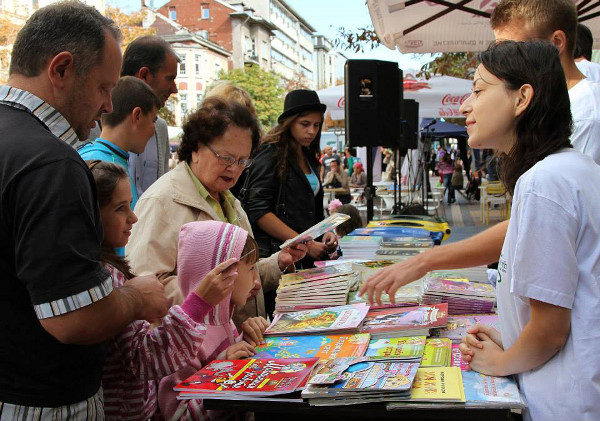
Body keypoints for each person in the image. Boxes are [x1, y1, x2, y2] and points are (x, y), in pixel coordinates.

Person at [360, 0, 600, 306]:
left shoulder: (579, 122)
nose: (498, 59)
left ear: (554, 45)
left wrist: (425, 261)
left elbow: (538, 226)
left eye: (510, 47)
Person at [0, 2, 169, 417]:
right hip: (44, 402)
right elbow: (73, 318)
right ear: (61, 69)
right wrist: (135, 297)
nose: (108, 105)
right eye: (102, 87)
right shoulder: (51, 162)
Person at [456, 40, 600, 421]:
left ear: (522, 98)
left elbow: (552, 330)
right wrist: (509, 338)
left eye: (478, 90)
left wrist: (499, 363)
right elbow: (570, 303)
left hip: (563, 403)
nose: (465, 105)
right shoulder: (572, 169)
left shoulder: (545, 182)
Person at [88, 161, 253, 420]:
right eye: (120, 208)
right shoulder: (104, 277)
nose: (133, 217)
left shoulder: (111, 271)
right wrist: (198, 305)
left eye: (130, 205)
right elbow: (146, 359)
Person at [126, 98, 307, 328]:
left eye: (243, 161)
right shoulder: (162, 201)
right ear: (195, 149)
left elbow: (243, 272)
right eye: (226, 158)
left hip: (234, 345)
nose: (234, 168)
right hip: (192, 350)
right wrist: (219, 291)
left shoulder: (230, 201)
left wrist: (278, 263)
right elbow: (144, 288)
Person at [158, 221, 269, 420]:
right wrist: (222, 372)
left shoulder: (224, 321)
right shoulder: (186, 337)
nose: (257, 281)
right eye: (251, 268)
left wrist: (248, 340)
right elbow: (178, 415)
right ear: (225, 274)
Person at [243, 89, 337, 267]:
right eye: (305, 124)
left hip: (305, 258)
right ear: (289, 122)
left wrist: (326, 231)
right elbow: (258, 211)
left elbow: (310, 207)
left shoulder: (308, 155)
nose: (312, 131)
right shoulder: (270, 153)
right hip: (278, 259)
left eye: (317, 125)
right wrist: (305, 244)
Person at [79, 76, 161, 210]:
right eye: (153, 120)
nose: (153, 131)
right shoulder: (100, 165)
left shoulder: (102, 158)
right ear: (137, 116)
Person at [123, 36, 180, 197]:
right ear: (144, 75)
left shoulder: (160, 128)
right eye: (170, 79)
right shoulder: (96, 125)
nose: (174, 89)